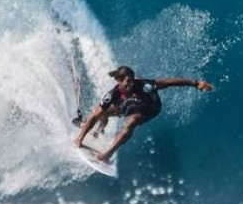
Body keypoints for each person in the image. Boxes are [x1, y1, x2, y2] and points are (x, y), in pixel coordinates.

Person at [74, 65, 213, 163]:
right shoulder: (113, 94)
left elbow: (169, 82)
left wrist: (195, 83)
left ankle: (107, 154)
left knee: (132, 121)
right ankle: (97, 130)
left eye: (132, 79)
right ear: (119, 81)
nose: (131, 84)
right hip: (128, 105)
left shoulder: (144, 85)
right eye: (128, 81)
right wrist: (80, 138)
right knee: (101, 114)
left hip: (150, 108)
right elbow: (95, 114)